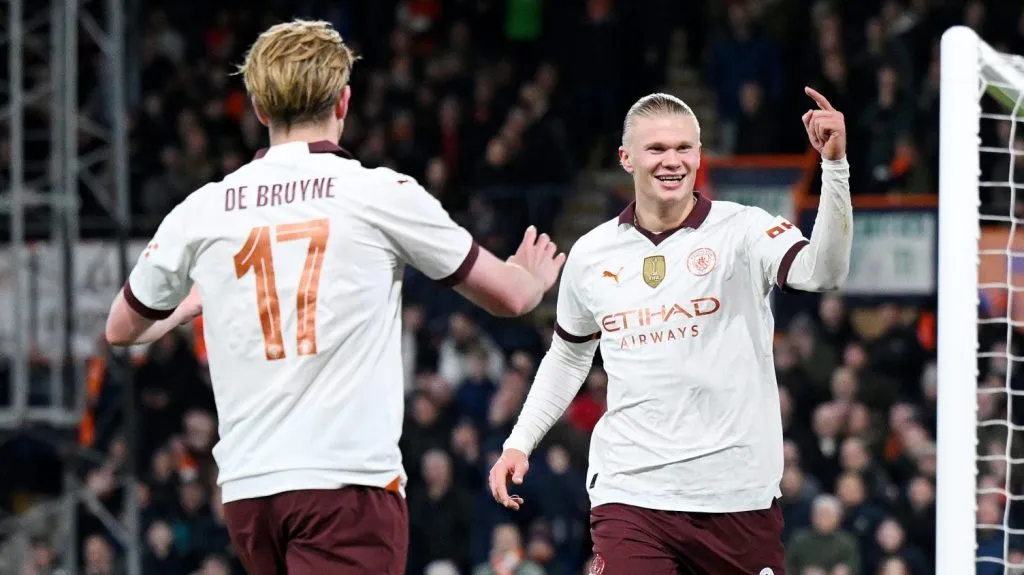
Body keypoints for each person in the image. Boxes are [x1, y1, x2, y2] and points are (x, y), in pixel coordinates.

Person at [104, 19, 565, 575]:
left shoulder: (203, 209)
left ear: (258, 109)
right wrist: (533, 277)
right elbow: (509, 298)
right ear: (344, 100)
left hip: (251, 495)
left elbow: (120, 329)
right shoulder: (379, 194)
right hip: (343, 486)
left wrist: (189, 303)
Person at [488, 88, 853, 575]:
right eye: (657, 149)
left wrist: (835, 167)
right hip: (630, 493)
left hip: (736, 497)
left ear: (700, 155)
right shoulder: (592, 254)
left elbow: (823, 271)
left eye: (684, 148)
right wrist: (520, 439)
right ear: (625, 158)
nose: (672, 161)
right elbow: (569, 356)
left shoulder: (743, 230)